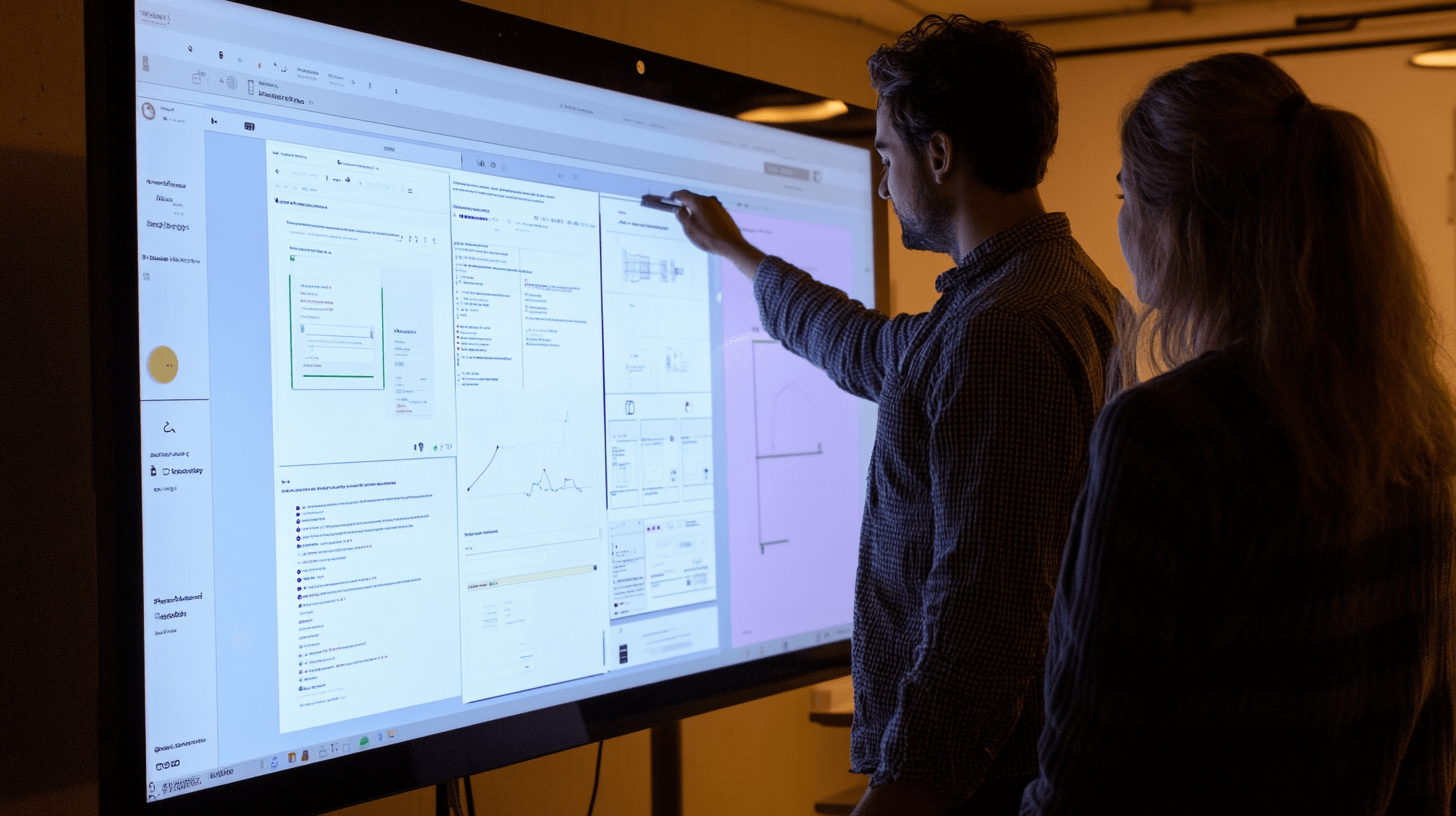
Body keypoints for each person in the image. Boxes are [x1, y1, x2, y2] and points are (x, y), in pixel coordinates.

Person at [672, 16, 1122, 815]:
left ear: (941, 156)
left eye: (885, 154)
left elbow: (981, 619)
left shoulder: (1002, 335)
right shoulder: (1052, 287)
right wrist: (741, 255)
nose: (882, 182)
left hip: (973, 786)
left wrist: (897, 793)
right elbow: (868, 348)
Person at [1022, 53, 1456, 815]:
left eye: (1125, 191)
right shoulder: (1426, 421)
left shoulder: (1164, 435)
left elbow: (1085, 770)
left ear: (1180, 223)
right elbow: (1434, 735)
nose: (1120, 220)